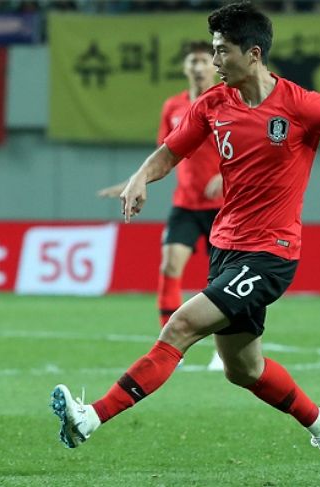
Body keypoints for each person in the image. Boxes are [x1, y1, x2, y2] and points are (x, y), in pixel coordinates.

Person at [51, 1, 320, 475]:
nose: (215, 61)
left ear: (253, 53)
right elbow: (170, 150)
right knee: (244, 370)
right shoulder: (213, 105)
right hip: (227, 248)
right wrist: (140, 178)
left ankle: (90, 416)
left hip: (271, 253)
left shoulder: (302, 105)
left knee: (179, 327)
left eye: (222, 51)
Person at [98, 41, 224, 341]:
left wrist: (224, 174)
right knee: (169, 265)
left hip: (224, 207)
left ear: (215, 67)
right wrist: (136, 180)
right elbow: (165, 153)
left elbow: (250, 149)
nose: (197, 67)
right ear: (184, 68)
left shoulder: (228, 103)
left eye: (204, 61)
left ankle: (225, 349)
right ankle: (168, 342)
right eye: (192, 61)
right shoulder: (174, 107)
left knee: (222, 281)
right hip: (186, 205)